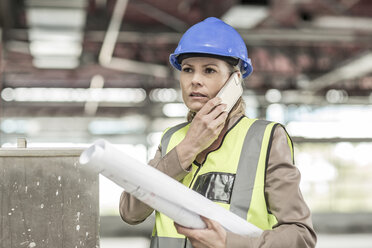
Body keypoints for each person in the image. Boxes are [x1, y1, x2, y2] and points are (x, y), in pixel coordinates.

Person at [119, 17, 317, 248]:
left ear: (235, 79)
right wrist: (187, 148)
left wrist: (229, 243)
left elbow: (301, 236)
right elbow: (130, 212)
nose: (195, 80)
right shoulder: (172, 139)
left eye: (209, 70)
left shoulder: (265, 139)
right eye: (187, 70)